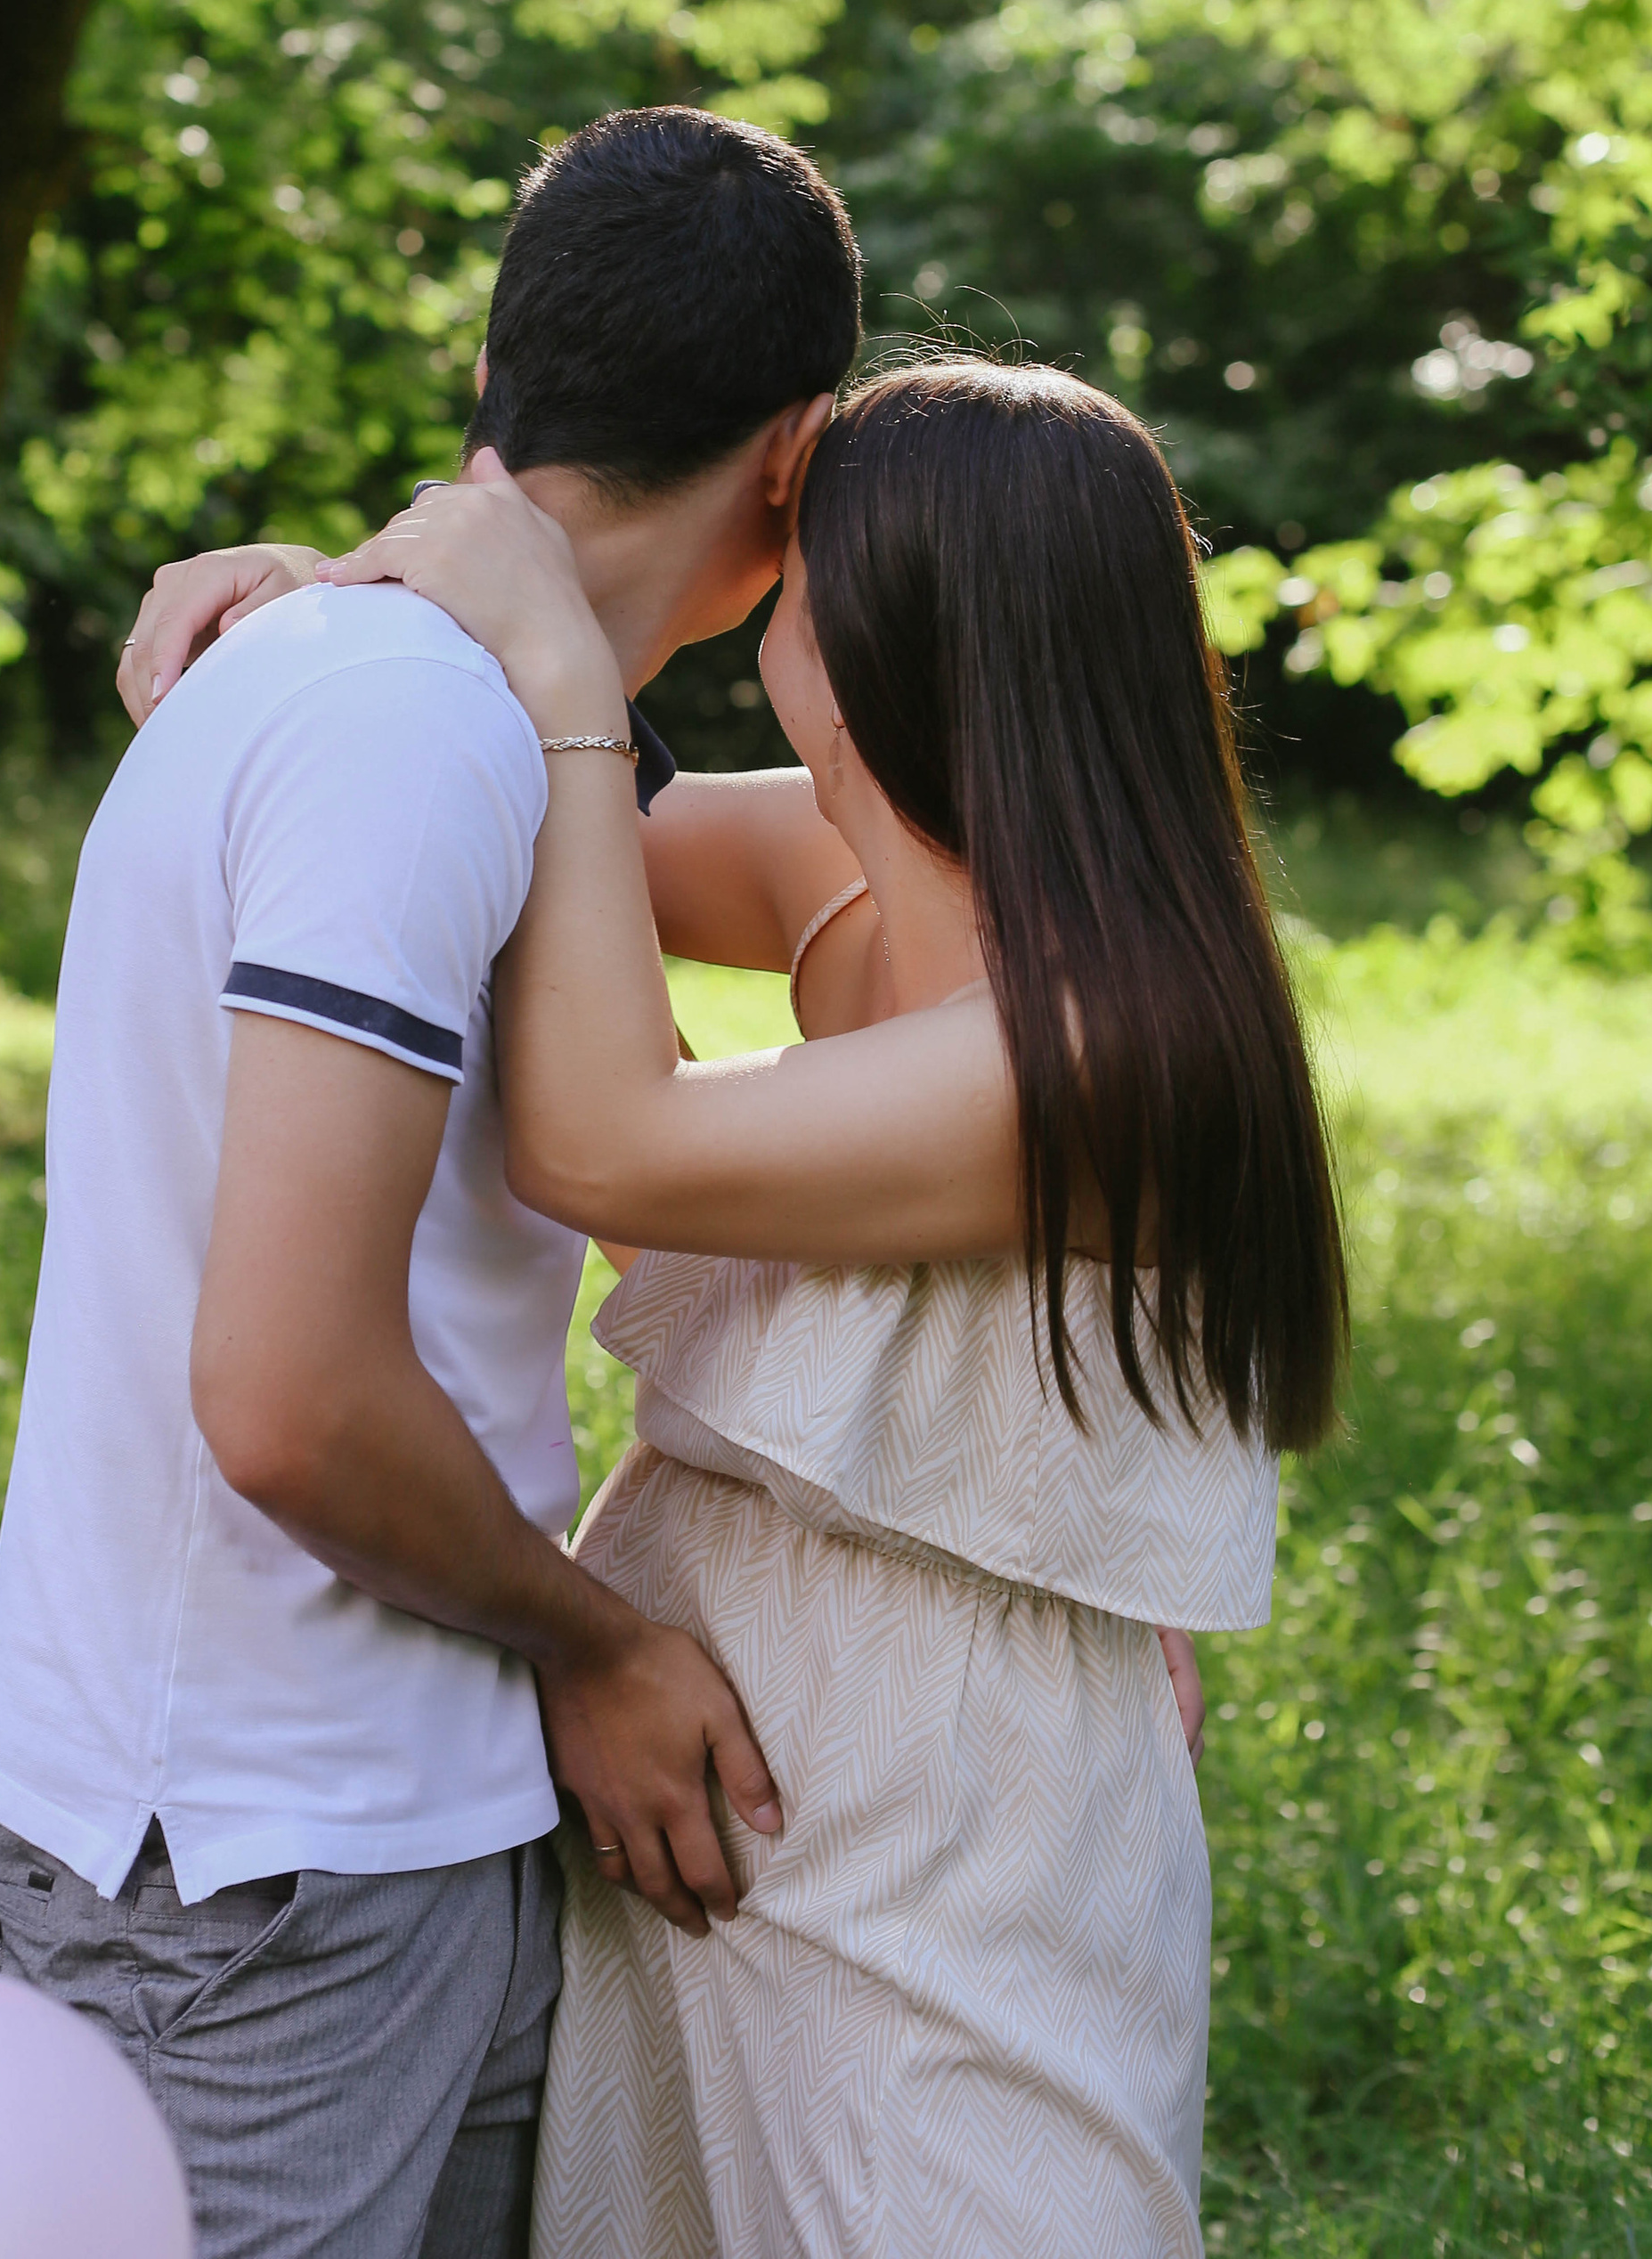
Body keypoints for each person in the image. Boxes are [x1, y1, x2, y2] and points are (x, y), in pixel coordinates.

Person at [286, 358, 1348, 2259]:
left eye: (796, 556)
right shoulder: (841, 864)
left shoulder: (1097, 1043)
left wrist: (559, 668)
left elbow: (601, 1140)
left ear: (888, 623)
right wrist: (303, 601)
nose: (754, 586)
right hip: (705, 1742)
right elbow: (491, 820)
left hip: (956, 1803)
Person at [0, 108, 869, 2259]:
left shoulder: (454, 710)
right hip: (258, 1860)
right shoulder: (408, 731)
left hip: (394, 1801)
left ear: (495, 386)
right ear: (793, 458)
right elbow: (283, 1396)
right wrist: (602, 1647)